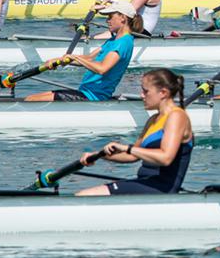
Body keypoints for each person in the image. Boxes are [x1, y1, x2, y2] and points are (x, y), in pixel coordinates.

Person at [76, 68, 194, 196]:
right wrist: (98, 155)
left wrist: (127, 147)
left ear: (163, 93)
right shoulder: (153, 120)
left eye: (145, 91)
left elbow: (165, 158)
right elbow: (132, 156)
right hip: (146, 182)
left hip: (162, 188)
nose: (141, 95)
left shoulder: (177, 116)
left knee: (84, 195)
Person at [24, 0, 139, 101]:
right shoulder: (113, 40)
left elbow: (102, 69)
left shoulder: (124, 43)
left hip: (94, 96)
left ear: (123, 18)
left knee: (31, 100)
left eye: (110, 17)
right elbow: (89, 59)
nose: (107, 21)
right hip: (85, 92)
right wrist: (60, 59)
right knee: (30, 98)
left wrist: (75, 57)